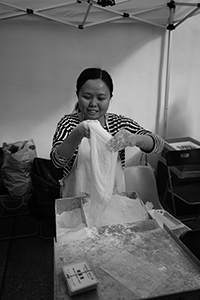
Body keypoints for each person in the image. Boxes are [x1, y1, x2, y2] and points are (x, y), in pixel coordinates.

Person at [50, 67, 164, 198]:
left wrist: (134, 139)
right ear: (78, 95)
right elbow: (57, 162)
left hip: (112, 200)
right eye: (87, 97)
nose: (93, 103)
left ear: (110, 97)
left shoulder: (119, 124)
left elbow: (159, 144)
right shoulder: (68, 124)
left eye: (101, 98)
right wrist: (77, 134)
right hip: (76, 200)